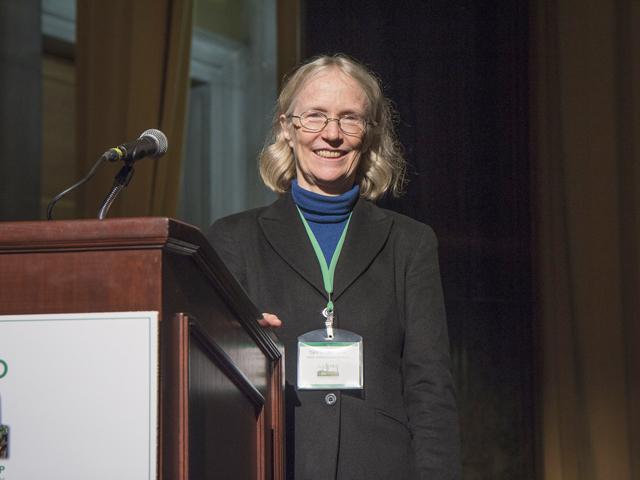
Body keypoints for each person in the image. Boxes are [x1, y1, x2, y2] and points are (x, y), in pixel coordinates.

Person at [208, 54, 460, 479]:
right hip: (276, 462)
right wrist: (248, 350)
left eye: (350, 119)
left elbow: (429, 388)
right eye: (315, 117)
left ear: (370, 133)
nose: (332, 134)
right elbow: (209, 383)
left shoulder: (410, 243)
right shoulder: (233, 239)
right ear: (287, 128)